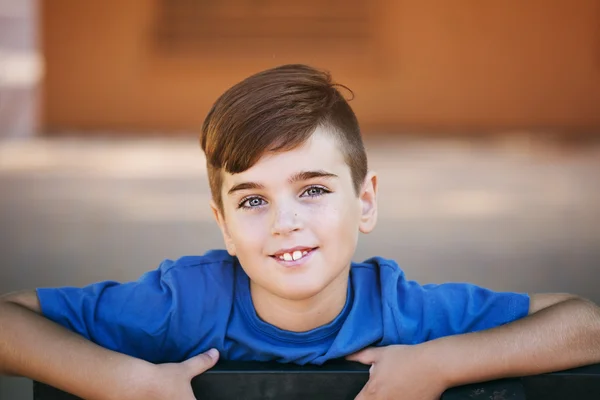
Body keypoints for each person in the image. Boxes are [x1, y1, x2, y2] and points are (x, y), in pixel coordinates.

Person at [1, 64, 599, 400]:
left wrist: (440, 363)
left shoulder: (400, 311)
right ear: (224, 228)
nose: (286, 220)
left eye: (312, 189)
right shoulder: (184, 301)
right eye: (253, 199)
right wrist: (126, 381)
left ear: (365, 202)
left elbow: (586, 327)